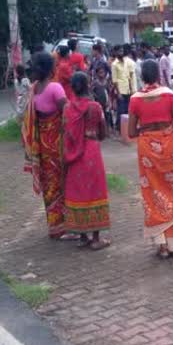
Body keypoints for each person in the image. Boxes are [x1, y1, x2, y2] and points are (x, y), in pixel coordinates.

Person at [128, 59, 173, 259]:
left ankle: (163, 246)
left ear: (142, 77)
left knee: (154, 194)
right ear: (159, 76)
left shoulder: (135, 99)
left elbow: (131, 132)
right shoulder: (169, 96)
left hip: (147, 154)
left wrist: (148, 129)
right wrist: (165, 127)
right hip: (170, 151)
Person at [22, 52, 71, 239]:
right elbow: (66, 113)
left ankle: (54, 226)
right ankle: (64, 226)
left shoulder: (34, 88)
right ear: (52, 68)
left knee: (49, 184)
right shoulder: (55, 88)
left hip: (41, 147)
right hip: (56, 145)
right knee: (61, 183)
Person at [63, 72, 111, 251]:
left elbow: (66, 132)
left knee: (78, 192)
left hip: (74, 154)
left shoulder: (67, 108)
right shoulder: (95, 107)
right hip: (91, 151)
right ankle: (96, 238)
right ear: (87, 85)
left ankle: (82, 236)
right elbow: (103, 133)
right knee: (95, 191)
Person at [111, 45, 133, 132]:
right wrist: (118, 93)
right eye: (119, 51)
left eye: (122, 51)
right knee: (121, 110)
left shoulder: (126, 63)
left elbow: (129, 77)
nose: (121, 53)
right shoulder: (114, 64)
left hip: (127, 89)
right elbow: (114, 80)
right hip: (120, 91)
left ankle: (125, 128)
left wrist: (131, 89)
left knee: (127, 110)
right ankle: (119, 128)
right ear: (116, 53)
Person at [92, 65, 113, 130]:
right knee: (99, 117)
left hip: (106, 103)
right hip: (98, 103)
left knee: (107, 116)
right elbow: (91, 92)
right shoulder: (95, 83)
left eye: (103, 72)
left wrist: (109, 101)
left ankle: (107, 130)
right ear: (97, 74)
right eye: (100, 72)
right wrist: (95, 97)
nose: (102, 74)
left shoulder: (106, 82)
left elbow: (109, 93)